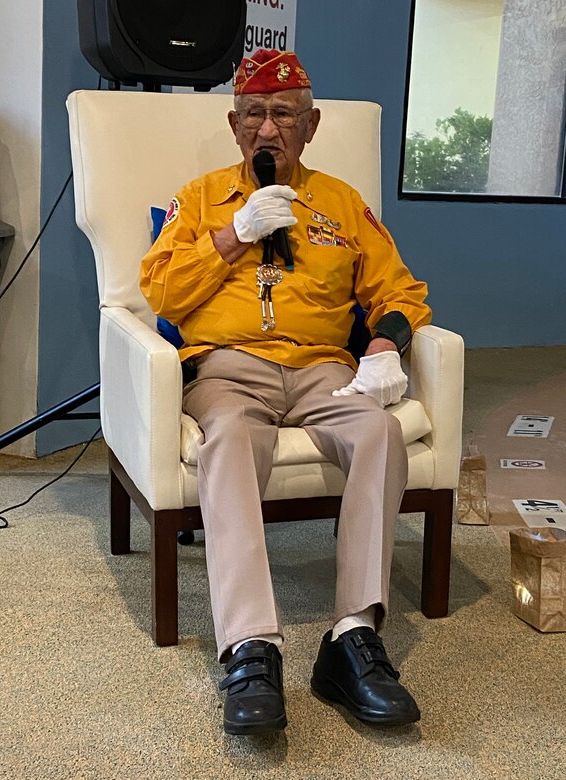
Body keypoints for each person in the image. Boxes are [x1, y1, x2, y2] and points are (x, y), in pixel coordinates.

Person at [140, 49, 432, 735]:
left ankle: (352, 636)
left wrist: (387, 344)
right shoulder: (203, 196)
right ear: (234, 122)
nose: (266, 129)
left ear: (311, 124)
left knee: (378, 431)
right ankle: (251, 645)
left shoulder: (338, 203)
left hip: (324, 370)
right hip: (226, 368)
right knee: (232, 438)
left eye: (282, 115)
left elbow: (399, 288)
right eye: (253, 114)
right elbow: (161, 292)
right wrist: (232, 236)